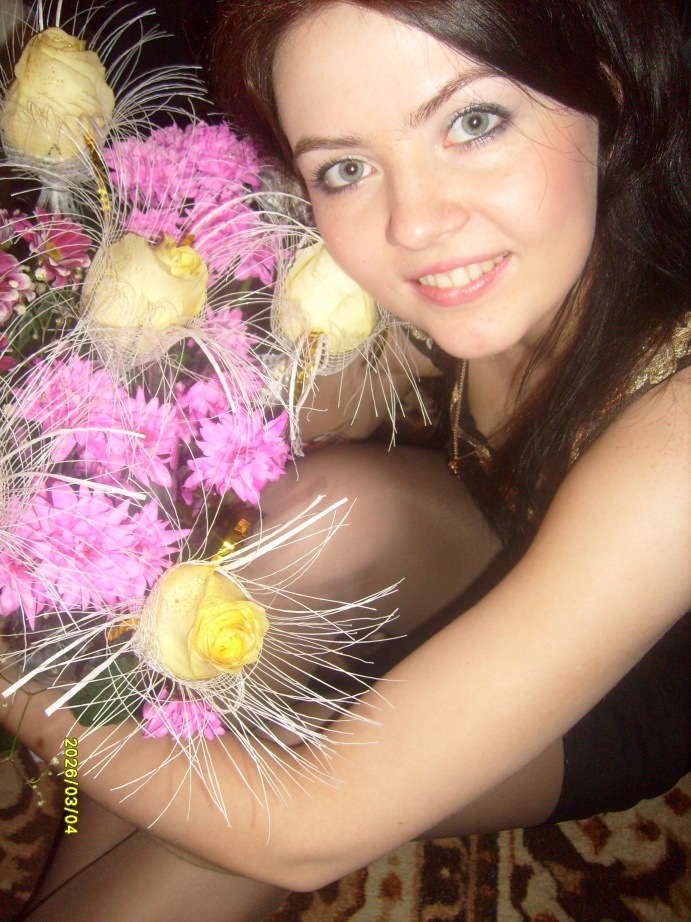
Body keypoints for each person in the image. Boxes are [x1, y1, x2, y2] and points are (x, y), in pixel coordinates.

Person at [1, 1, 689, 919]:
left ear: (603, 88)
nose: (415, 223)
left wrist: (25, 686)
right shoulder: (476, 259)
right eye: (346, 167)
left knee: (252, 793)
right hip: (483, 526)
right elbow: (304, 403)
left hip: (616, 685)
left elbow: (307, 830)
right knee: (301, 530)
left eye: (474, 122)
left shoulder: (676, 436)